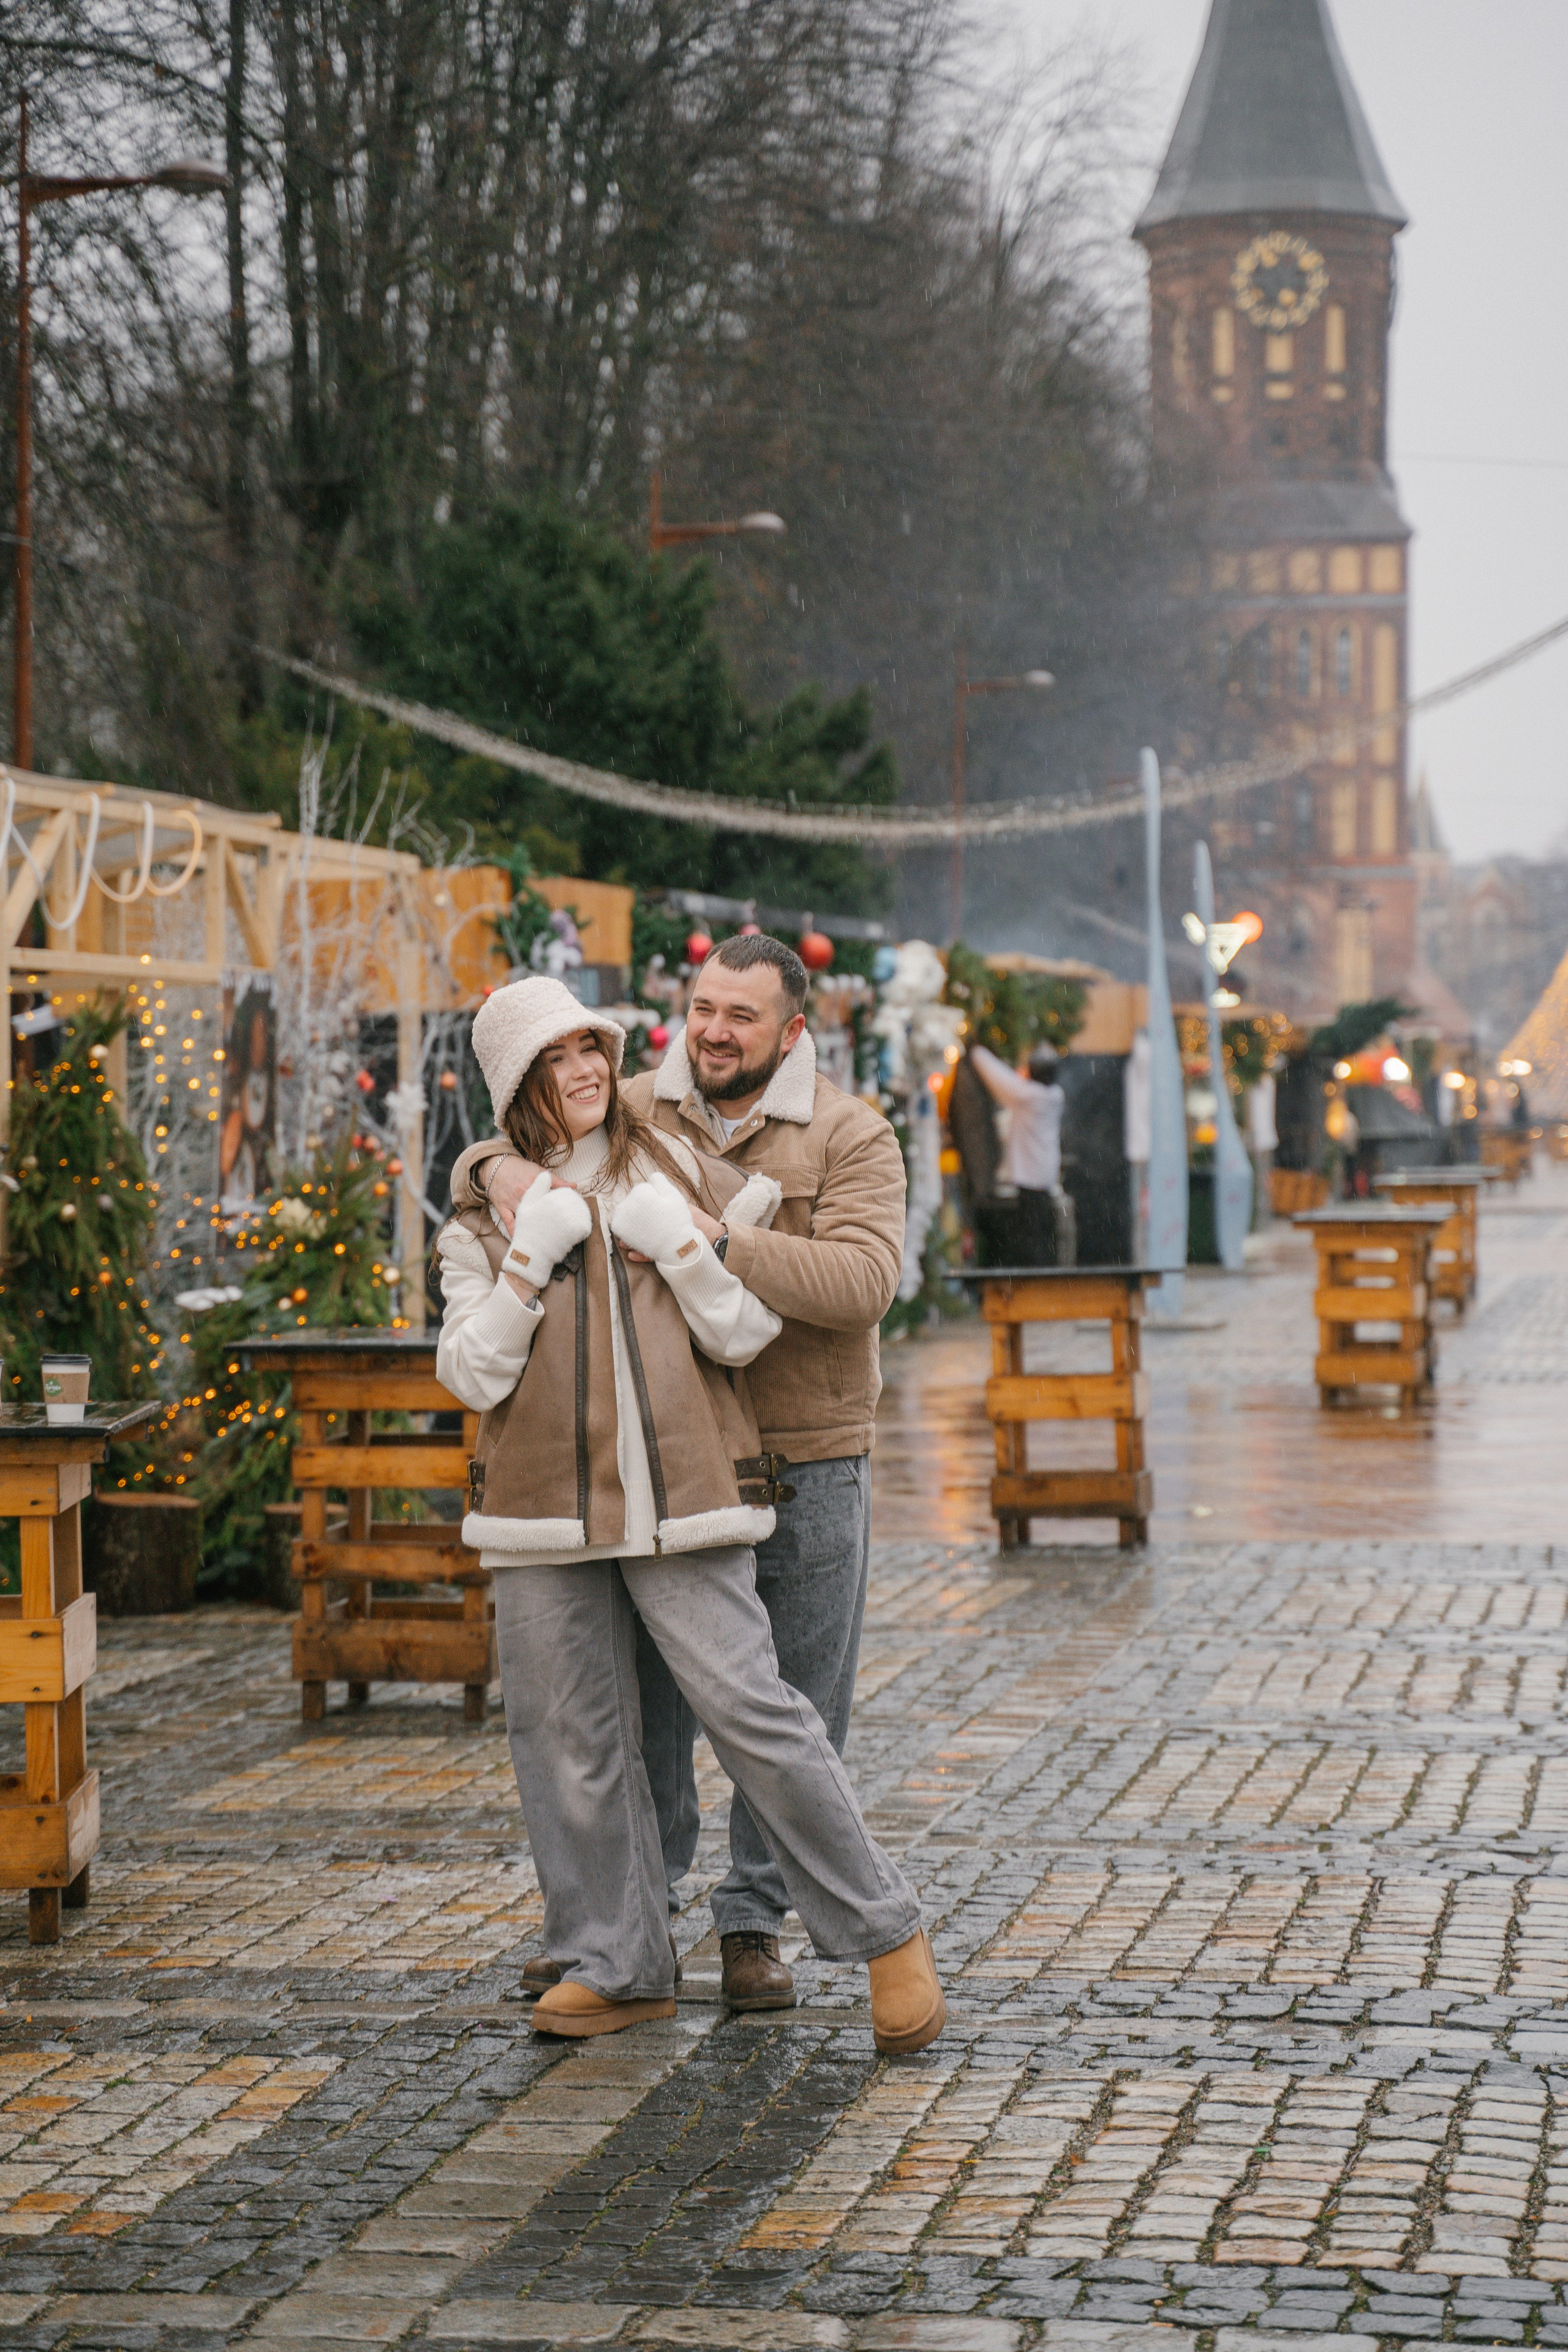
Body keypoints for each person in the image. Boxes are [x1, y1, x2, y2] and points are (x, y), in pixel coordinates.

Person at [435, 974, 943, 2051]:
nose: (584, 1071)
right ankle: (620, 1965)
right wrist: (528, 1259)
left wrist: (681, 1242)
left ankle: (887, 1930)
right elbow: (470, 1377)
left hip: (688, 1500)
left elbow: (745, 1332)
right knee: (567, 1736)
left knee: (756, 1712)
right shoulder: (482, 1214)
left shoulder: (665, 1161)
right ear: (517, 1083)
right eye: (557, 1058)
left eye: (594, 1049)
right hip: (541, 1516)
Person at [967, 1040, 1067, 1267]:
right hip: (1043, 1173)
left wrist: (977, 1051)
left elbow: (999, 1078)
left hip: (1032, 1175)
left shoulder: (1030, 1097)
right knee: (1039, 1231)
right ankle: (1040, 1271)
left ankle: (1033, 1275)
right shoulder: (1054, 1095)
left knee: (1030, 1234)